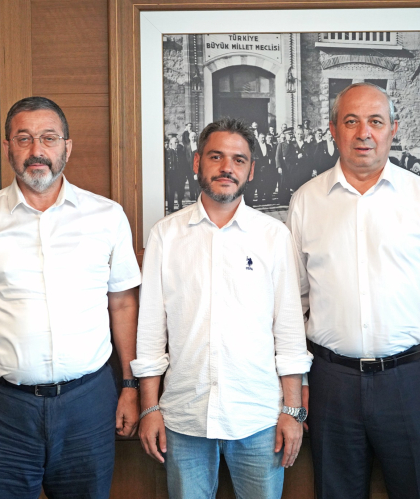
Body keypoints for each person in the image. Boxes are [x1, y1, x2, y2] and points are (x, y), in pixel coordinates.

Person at [0, 96, 142, 498]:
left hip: (88, 404)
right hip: (1, 410)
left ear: (67, 146)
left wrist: (130, 387)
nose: (37, 150)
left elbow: (123, 305)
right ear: (8, 147)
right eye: (24, 139)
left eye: (49, 138)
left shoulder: (107, 217)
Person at [287, 82, 420, 499]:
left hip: (412, 382)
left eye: (375, 121)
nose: (363, 133)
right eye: (351, 121)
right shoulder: (307, 201)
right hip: (331, 383)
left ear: (393, 129)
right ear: (333, 129)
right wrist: (298, 385)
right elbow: (293, 304)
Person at [133, 117, 312, 499]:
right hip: (184, 416)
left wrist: (292, 411)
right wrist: (149, 408)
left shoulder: (273, 236)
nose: (227, 167)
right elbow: (150, 329)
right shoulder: (166, 235)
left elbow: (289, 332)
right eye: (216, 157)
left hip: (259, 417)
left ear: (251, 170)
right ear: (197, 162)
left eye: (238, 160)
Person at [165, 135, 187, 213]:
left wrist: (184, 175)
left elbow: (185, 164)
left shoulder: (181, 152)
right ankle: (170, 207)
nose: (177, 144)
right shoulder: (168, 152)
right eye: (175, 142)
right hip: (171, 175)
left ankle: (180, 204)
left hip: (179, 175)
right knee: (171, 191)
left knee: (180, 190)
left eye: (177, 142)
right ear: (171, 144)